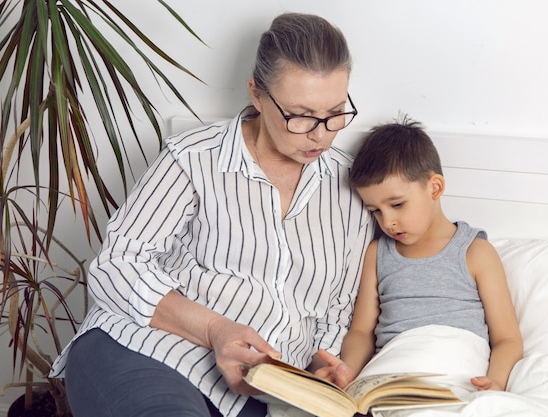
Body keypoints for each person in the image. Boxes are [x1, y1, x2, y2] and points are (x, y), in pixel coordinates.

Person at [49, 12, 374, 417]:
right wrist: (215, 329)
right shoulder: (192, 159)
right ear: (257, 94)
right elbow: (115, 266)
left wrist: (317, 373)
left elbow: (337, 310)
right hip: (150, 351)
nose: (321, 133)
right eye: (300, 115)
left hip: (258, 394)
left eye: (336, 111)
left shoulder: (353, 189)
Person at [315, 119, 523, 393]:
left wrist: (495, 383)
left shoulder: (476, 252)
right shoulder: (377, 253)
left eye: (397, 204)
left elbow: (507, 338)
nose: (387, 222)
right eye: (375, 210)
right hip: (391, 375)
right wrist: (347, 371)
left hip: (453, 373)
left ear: (434, 188)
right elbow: (362, 332)